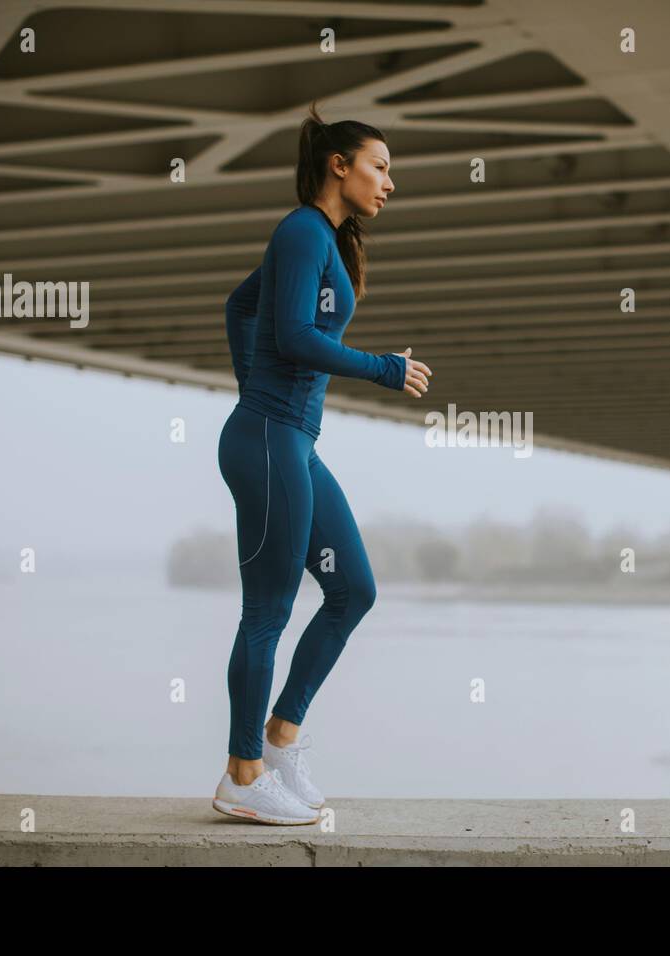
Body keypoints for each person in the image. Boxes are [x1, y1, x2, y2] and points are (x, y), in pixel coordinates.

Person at [212, 103, 432, 824]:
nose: (389, 183)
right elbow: (296, 335)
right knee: (268, 612)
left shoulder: (318, 240)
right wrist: (382, 368)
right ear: (339, 166)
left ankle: (281, 738)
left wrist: (259, 388)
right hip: (270, 442)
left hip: (290, 443)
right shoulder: (303, 230)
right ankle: (241, 777)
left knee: (353, 592)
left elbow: (240, 308)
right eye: (380, 166)